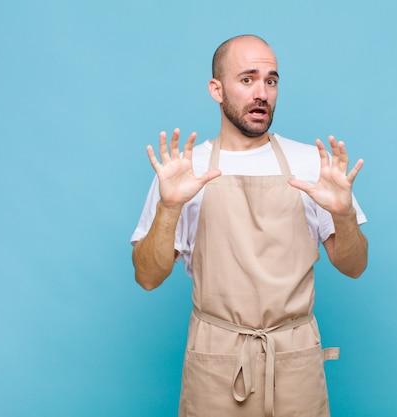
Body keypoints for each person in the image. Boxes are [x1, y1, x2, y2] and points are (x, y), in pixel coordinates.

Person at [130, 34, 368, 417]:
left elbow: (354, 267)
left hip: (294, 362)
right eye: (247, 79)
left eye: (271, 81)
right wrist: (169, 207)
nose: (262, 93)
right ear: (216, 89)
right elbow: (147, 276)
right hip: (216, 361)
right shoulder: (184, 172)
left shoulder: (312, 165)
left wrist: (343, 213)